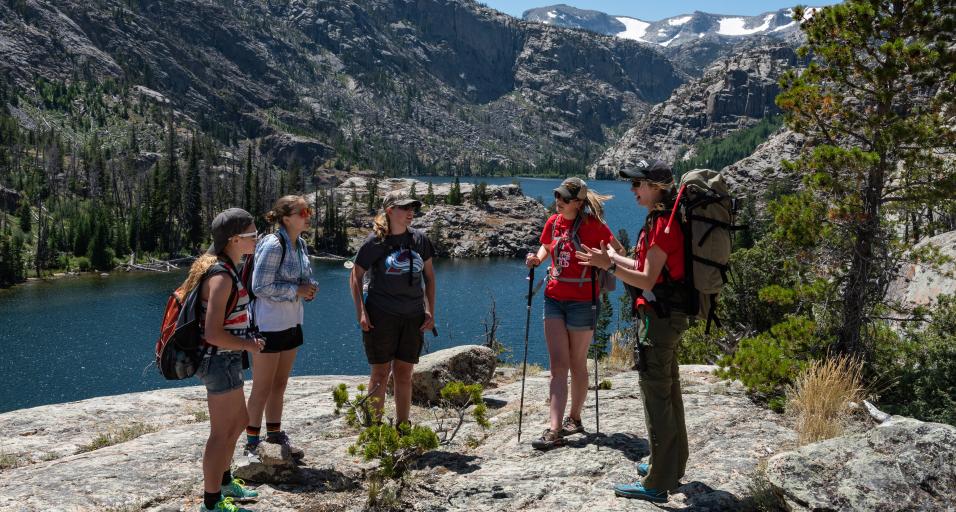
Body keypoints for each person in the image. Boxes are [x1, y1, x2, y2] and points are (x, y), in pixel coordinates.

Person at [576, 160, 690, 503]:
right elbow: (643, 266)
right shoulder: (665, 218)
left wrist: (609, 264)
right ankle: (669, 462)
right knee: (668, 389)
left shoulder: (663, 224)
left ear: (656, 186)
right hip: (668, 315)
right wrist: (609, 257)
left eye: (638, 184)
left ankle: (657, 481)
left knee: (656, 394)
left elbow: (645, 280)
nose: (633, 190)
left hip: (660, 318)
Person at [525, 177, 617, 450]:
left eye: (565, 198)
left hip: (582, 302)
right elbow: (547, 245)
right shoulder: (553, 223)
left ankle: (574, 418)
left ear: (578, 203)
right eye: (558, 195)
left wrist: (603, 260)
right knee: (557, 366)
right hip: (553, 297)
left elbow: (616, 251)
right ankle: (554, 429)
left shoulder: (592, 226)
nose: (559, 201)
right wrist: (538, 258)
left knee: (577, 363)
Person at [183, 208, 264, 512]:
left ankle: (226, 480)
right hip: (217, 360)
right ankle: (211, 502)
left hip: (228, 359)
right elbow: (214, 333)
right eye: (252, 235)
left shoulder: (227, 267)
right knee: (221, 432)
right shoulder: (221, 277)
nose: (257, 239)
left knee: (240, 422)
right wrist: (249, 346)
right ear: (233, 240)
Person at [349, 189, 436, 426]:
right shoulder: (375, 242)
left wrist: (430, 311)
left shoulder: (419, 240)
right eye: (404, 208)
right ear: (390, 211)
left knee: (404, 373)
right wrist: (362, 314)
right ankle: (374, 428)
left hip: (412, 316)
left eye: (412, 208)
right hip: (381, 315)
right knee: (380, 374)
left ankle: (403, 425)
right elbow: (355, 276)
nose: (410, 212)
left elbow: (429, 277)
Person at [245, 196, 316, 460]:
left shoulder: (301, 245)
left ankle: (274, 435)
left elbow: (301, 279)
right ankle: (252, 442)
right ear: (286, 218)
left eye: (309, 211)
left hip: (292, 321)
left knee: (280, 384)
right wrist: (295, 290)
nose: (308, 216)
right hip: (269, 323)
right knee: (262, 385)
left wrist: (308, 289)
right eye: (303, 212)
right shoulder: (274, 244)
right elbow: (259, 286)